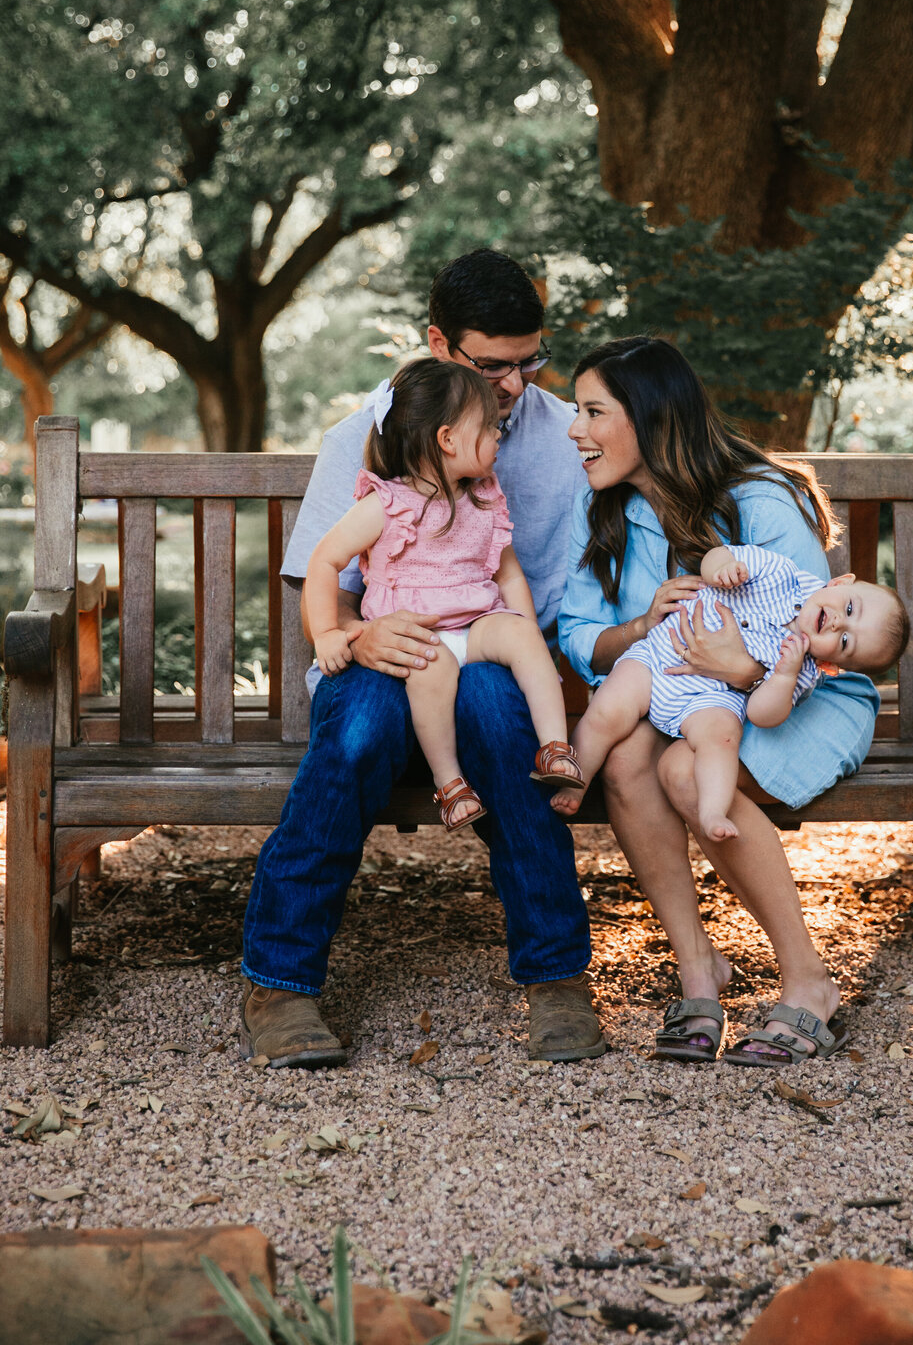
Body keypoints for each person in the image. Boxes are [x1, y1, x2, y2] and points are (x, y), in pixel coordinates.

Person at [239, 250, 596, 1070]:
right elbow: (323, 580)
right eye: (492, 365)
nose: (514, 384)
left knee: (502, 721)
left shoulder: (561, 437)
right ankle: (281, 981)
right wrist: (360, 637)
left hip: (491, 649)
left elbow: (557, 576)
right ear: (439, 344)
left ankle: (556, 975)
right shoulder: (365, 437)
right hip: (380, 650)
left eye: (530, 360)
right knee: (361, 731)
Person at [558, 337, 880, 1066]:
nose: (575, 429)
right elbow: (578, 634)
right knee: (627, 760)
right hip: (689, 691)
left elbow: (818, 637)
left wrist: (739, 669)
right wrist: (640, 626)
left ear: (648, 417)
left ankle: (808, 983)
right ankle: (700, 970)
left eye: (593, 411)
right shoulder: (603, 508)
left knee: (680, 771)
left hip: (802, 695)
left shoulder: (757, 501)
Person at [305, 357, 581, 833]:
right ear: (448, 439)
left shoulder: (483, 497)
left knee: (521, 636)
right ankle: (451, 784)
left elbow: (509, 574)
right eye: (490, 429)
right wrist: (330, 633)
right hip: (419, 639)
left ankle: (556, 748)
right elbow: (323, 561)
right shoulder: (388, 504)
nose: (499, 437)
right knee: (428, 674)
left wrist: (523, 628)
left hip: (475, 628)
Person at [554, 540, 907, 842]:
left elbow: (761, 714)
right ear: (839, 582)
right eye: (848, 608)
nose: (837, 622)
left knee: (722, 738)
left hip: (712, 697)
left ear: (832, 666)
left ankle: (712, 811)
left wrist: (782, 678)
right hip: (663, 653)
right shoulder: (779, 573)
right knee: (608, 710)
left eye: (845, 640)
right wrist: (722, 567)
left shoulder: (803, 670)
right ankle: (576, 778)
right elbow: (718, 554)